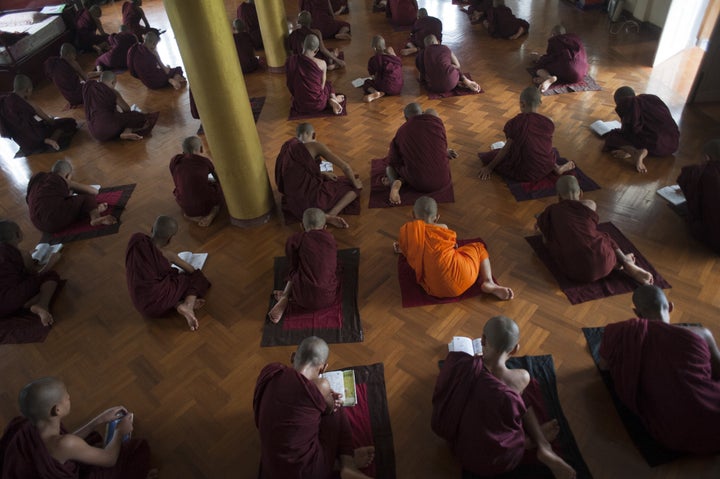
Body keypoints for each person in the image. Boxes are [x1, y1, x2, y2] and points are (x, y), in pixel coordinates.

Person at [432, 316, 576, 479]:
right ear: (515, 349)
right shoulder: (520, 378)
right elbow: (510, 423)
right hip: (499, 460)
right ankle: (539, 444)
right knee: (520, 396)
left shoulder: (460, 364)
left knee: (512, 398)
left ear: (483, 340)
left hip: (461, 450)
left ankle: (540, 444)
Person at [599, 285, 720, 454]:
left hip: (672, 433)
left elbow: (603, 365)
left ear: (638, 313)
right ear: (670, 306)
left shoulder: (625, 332)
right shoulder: (701, 334)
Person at [254, 336, 375, 478]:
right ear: (323, 368)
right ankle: (348, 464)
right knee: (337, 408)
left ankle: (337, 464)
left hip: (271, 468)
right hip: (307, 473)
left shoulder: (271, 370)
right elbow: (329, 409)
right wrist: (328, 396)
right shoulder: (321, 386)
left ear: (293, 357)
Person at [0, 377, 156, 478]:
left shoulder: (24, 424)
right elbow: (110, 459)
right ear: (57, 410)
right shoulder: (65, 444)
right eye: (66, 397)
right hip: (96, 457)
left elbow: (65, 443)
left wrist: (99, 419)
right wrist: (119, 432)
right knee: (136, 449)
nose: (69, 398)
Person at [535, 176, 654, 284]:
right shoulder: (590, 204)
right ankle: (624, 261)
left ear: (559, 196)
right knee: (603, 236)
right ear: (581, 193)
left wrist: (542, 220)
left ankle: (618, 264)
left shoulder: (552, 210)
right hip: (604, 259)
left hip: (577, 272)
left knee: (553, 243)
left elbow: (546, 239)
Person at [396, 196, 514, 300]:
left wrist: (402, 248)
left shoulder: (407, 231)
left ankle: (487, 282)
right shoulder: (443, 227)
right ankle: (488, 281)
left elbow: (409, 252)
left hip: (436, 289)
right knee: (478, 247)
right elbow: (450, 246)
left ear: (412, 215)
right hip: (465, 277)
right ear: (437, 218)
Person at [125, 215, 211, 331]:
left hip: (140, 302)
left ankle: (178, 305)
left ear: (151, 229)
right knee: (194, 279)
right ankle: (188, 304)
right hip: (157, 303)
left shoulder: (136, 240)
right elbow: (192, 271)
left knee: (168, 279)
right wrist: (175, 259)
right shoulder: (168, 256)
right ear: (170, 239)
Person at [275, 123, 362, 227]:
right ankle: (331, 215)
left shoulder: (288, 146)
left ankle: (326, 214)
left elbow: (293, 172)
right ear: (314, 135)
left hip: (293, 201)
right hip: (313, 200)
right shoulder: (315, 146)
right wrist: (356, 183)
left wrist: (323, 173)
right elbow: (345, 167)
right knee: (352, 185)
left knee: (334, 179)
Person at [479, 87, 575, 181]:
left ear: (522, 104)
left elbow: (506, 149)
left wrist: (489, 167)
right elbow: (544, 145)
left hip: (525, 172)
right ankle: (557, 168)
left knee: (490, 156)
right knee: (541, 149)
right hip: (547, 166)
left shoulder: (515, 123)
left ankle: (555, 167)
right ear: (540, 103)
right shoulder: (549, 122)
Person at [268, 208, 339, 323]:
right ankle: (288, 296)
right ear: (325, 227)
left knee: (297, 268)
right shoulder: (330, 238)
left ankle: (286, 296)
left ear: (302, 226)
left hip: (303, 298)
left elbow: (293, 266)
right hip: (329, 296)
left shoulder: (295, 239)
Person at [383, 103, 454, 205]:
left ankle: (395, 183)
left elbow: (393, 159)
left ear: (406, 118)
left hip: (418, 182)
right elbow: (441, 142)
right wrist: (444, 152)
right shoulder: (436, 123)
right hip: (443, 179)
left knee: (389, 167)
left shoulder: (402, 130)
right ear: (423, 113)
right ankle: (403, 180)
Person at [26, 159, 117, 234]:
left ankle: (93, 210)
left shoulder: (37, 177)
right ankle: (95, 218)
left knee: (68, 203)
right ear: (68, 175)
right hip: (53, 219)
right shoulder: (61, 179)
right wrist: (71, 184)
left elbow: (29, 200)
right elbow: (94, 191)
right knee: (86, 196)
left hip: (37, 223)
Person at [603, 86, 680, 173]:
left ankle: (634, 152)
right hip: (673, 143)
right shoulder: (651, 98)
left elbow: (631, 130)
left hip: (655, 144)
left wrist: (626, 147)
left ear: (619, 102)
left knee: (613, 136)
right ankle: (638, 153)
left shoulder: (628, 104)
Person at [0, 220, 61, 326]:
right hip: (10, 299)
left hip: (2, 310)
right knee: (50, 275)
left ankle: (28, 304)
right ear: (18, 234)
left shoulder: (8, 251)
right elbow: (33, 273)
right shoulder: (16, 253)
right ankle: (42, 304)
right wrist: (50, 263)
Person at [0, 75, 77, 154]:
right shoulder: (29, 103)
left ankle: (46, 141)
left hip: (24, 144)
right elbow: (50, 121)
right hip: (38, 138)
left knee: (32, 131)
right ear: (28, 90)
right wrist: (50, 120)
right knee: (69, 122)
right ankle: (51, 139)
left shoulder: (3, 102)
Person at [83, 71, 158, 142]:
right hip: (109, 128)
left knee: (115, 117)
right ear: (113, 82)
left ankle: (124, 130)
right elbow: (126, 109)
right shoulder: (113, 92)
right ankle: (126, 131)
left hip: (94, 131)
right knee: (137, 116)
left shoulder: (89, 87)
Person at [677, 139, 720, 253]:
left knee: (685, 210)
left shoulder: (705, 172)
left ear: (706, 157)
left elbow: (684, 178)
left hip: (716, 240)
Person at [169, 136, 223, 227]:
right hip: (203, 204)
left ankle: (189, 215)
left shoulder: (175, 161)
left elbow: (176, 180)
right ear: (201, 149)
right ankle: (212, 214)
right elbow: (213, 180)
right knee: (219, 191)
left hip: (185, 204)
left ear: (183, 150)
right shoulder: (204, 163)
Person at [286, 34, 345, 115]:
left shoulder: (290, 61)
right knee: (328, 85)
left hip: (300, 105)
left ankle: (331, 101)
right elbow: (322, 86)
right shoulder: (322, 63)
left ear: (302, 45)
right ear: (316, 50)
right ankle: (333, 99)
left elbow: (290, 83)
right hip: (318, 105)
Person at [416, 35, 481, 95]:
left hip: (433, 87)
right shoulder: (445, 48)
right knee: (452, 68)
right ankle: (467, 82)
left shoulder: (421, 53)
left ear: (425, 46)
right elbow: (457, 66)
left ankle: (461, 81)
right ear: (438, 42)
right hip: (452, 83)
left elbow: (421, 74)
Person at [531, 25, 589, 92]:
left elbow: (549, 58)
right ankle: (545, 79)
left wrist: (539, 59)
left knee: (538, 68)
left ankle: (548, 78)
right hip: (581, 73)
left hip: (568, 70)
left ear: (553, 34)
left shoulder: (555, 40)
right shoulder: (575, 38)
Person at [44, 43, 92, 107]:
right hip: (80, 94)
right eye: (74, 55)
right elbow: (85, 78)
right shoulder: (73, 63)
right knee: (93, 88)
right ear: (69, 54)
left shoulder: (53, 63)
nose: (75, 58)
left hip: (69, 98)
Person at [362, 35, 403, 103]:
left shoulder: (374, 59)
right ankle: (381, 92)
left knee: (367, 82)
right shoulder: (394, 57)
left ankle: (375, 92)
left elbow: (373, 75)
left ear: (374, 48)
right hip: (398, 88)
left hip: (385, 87)